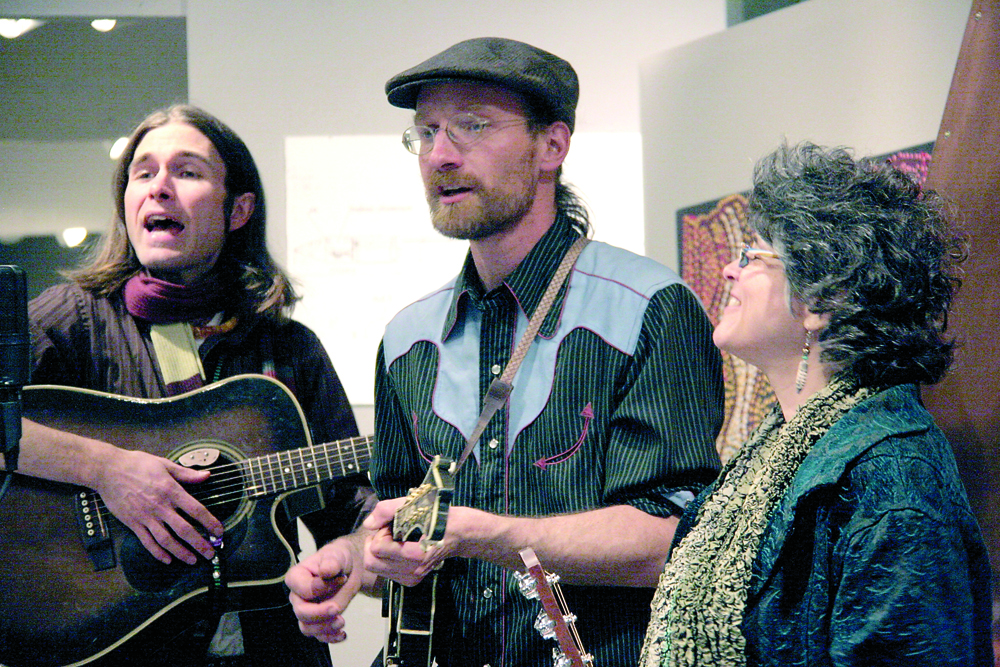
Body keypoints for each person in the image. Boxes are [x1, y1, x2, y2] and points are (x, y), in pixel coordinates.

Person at [285, 37, 725, 667]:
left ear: (552, 146)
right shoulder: (408, 339)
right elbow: (407, 527)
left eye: (472, 125)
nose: (440, 155)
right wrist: (355, 559)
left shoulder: (648, 308)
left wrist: (489, 536)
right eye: (426, 132)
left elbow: (678, 541)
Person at [7, 104, 368, 667]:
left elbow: (351, 511)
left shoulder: (289, 347)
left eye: (187, 171)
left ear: (238, 210)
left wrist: (350, 555)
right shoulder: (70, 321)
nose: (159, 187)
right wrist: (106, 469)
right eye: (143, 172)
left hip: (270, 650)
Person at [639, 142, 993, 666]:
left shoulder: (892, 475)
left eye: (753, 255)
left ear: (822, 299)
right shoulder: (772, 453)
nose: (730, 271)